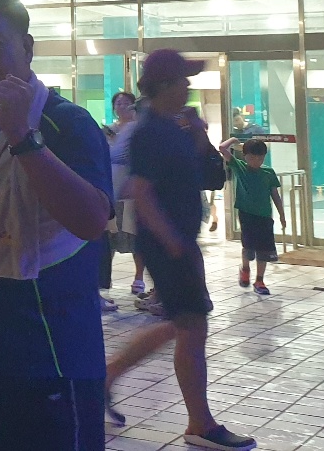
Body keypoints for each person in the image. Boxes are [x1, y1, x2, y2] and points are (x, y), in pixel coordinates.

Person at [0, 0, 113, 451]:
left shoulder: (65, 122)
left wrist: (23, 137)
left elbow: (92, 221)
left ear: (28, 48)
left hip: (54, 358)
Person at [105, 50, 255, 450]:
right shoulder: (150, 131)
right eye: (182, 81)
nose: (188, 87)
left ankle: (110, 376)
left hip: (177, 241)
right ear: (163, 86)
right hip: (168, 243)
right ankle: (199, 423)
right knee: (190, 324)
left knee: (185, 324)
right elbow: (140, 191)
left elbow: (207, 176)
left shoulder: (173, 128)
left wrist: (199, 135)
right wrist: (173, 243)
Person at [223, 138, 285, 296]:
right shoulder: (240, 167)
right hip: (246, 215)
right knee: (248, 247)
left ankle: (260, 280)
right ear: (244, 156)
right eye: (251, 157)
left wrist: (282, 215)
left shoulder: (268, 172)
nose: (256, 161)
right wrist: (234, 140)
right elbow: (222, 148)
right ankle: (245, 269)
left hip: (264, 216)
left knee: (264, 249)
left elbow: (275, 195)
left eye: (260, 158)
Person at [105, 91, 148, 299]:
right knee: (109, 235)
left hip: (131, 189)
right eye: (118, 103)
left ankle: (139, 276)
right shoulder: (107, 130)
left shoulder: (138, 130)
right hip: (111, 187)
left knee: (134, 235)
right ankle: (105, 277)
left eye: (125, 103)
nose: (121, 106)